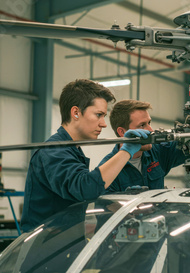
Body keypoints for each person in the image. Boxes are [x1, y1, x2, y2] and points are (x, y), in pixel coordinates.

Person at [21, 79, 149, 232]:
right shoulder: (53, 151)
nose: (104, 124)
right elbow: (86, 188)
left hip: (62, 244)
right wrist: (127, 151)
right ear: (76, 112)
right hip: (43, 248)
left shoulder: (71, 150)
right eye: (98, 115)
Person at [99, 99, 187, 192]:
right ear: (122, 132)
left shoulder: (158, 151)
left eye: (149, 123)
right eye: (142, 125)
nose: (150, 130)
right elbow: (106, 205)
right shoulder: (106, 170)